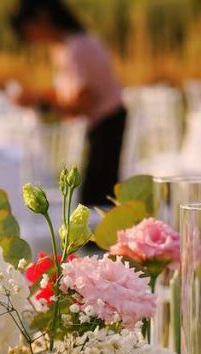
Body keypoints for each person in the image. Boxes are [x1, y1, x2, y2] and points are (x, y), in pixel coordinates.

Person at [11, 0, 126, 207]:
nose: (30, 38)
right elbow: (67, 93)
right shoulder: (64, 47)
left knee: (94, 204)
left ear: (42, 19)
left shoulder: (78, 48)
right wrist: (36, 97)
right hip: (98, 126)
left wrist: (40, 101)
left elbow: (82, 105)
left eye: (28, 31)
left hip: (107, 127)